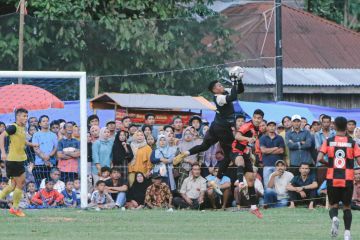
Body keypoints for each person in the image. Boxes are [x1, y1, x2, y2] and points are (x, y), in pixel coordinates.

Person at [174, 68, 245, 185]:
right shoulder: (219, 98)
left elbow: (239, 91)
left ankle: (185, 153)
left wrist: (239, 81)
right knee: (229, 154)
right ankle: (217, 181)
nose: (221, 85)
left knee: (204, 145)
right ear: (214, 90)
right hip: (223, 128)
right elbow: (233, 97)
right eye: (218, 85)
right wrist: (233, 82)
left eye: (220, 84)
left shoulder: (223, 92)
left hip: (215, 126)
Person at [317, 116, 360, 239]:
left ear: (334, 126)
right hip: (347, 179)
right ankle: (347, 234)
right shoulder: (352, 143)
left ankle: (335, 218)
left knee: (333, 205)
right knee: (347, 207)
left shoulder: (328, 141)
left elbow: (319, 158)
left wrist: (329, 163)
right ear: (346, 126)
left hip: (332, 178)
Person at [0, 108, 39, 217]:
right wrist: (3, 152)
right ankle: (15, 208)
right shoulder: (13, 127)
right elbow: (1, 136)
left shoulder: (22, 128)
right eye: (23, 116)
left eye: (26, 116)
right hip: (13, 160)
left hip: (19, 160)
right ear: (17, 117)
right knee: (20, 184)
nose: (25, 118)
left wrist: (32, 144)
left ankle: (14, 208)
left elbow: (23, 140)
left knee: (13, 185)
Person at [231, 109, 264, 218]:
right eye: (255, 117)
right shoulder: (247, 125)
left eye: (259, 118)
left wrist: (257, 153)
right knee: (240, 161)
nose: (257, 120)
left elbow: (253, 142)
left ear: (261, 119)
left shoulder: (257, 129)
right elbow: (237, 136)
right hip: (236, 151)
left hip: (245, 153)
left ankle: (253, 207)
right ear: (252, 117)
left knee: (251, 181)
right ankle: (240, 182)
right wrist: (248, 139)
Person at [32, 115, 58, 187]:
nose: (46, 123)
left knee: (51, 184)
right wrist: (44, 157)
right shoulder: (36, 135)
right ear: (39, 124)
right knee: (40, 185)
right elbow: (36, 148)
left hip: (51, 163)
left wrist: (49, 156)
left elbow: (55, 148)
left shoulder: (53, 135)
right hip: (39, 164)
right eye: (44, 121)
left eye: (47, 121)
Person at [259, 120, 285, 189]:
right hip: (267, 165)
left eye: (273, 126)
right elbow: (263, 150)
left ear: (275, 127)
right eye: (270, 125)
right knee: (267, 186)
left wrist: (268, 150)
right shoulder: (263, 138)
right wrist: (275, 148)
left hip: (278, 166)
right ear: (267, 127)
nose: (271, 127)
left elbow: (281, 151)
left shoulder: (280, 138)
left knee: (278, 186)